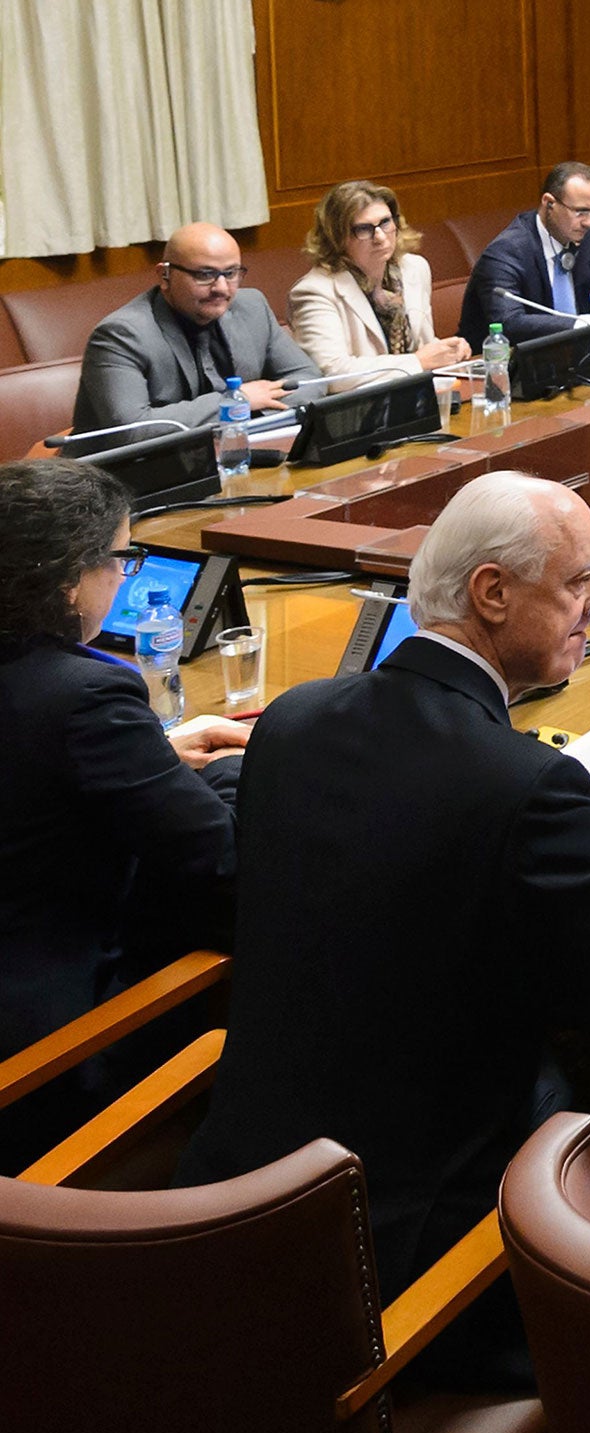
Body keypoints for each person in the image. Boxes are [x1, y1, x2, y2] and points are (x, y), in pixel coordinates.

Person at [177, 471, 590, 1384]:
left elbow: (405, 844)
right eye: (582, 582)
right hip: (402, 1269)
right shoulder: (521, 787)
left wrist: (559, 829)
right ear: (493, 592)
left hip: (235, 1206)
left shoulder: (296, 722)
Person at [0, 460, 244, 1166]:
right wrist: (231, 768)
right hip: (56, 1050)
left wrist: (154, 756)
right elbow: (220, 851)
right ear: (69, 579)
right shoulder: (86, 696)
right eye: (121, 559)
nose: (124, 577)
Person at [71, 222, 319, 434]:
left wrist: (245, 421)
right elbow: (132, 429)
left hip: (233, 459)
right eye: (204, 274)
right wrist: (236, 403)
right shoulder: (121, 335)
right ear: (164, 276)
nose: (221, 288)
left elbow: (309, 380)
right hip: (130, 477)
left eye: (231, 273)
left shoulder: (251, 307)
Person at [457, 161, 590, 351]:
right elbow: (510, 323)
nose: (589, 222)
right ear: (549, 203)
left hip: (580, 355)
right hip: (507, 368)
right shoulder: (506, 252)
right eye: (580, 212)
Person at [289, 180, 471, 377]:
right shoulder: (315, 292)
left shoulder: (414, 268)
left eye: (385, 222)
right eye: (364, 229)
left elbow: (421, 345)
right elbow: (332, 373)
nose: (380, 237)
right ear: (336, 237)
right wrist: (418, 361)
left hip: (418, 394)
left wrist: (449, 350)